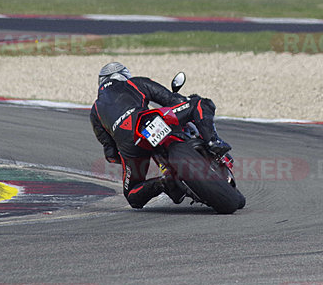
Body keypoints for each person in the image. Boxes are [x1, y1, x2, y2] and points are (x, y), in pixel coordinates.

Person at [90, 61, 231, 209]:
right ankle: (213, 141)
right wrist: (186, 102)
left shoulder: (95, 110)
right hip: (151, 119)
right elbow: (172, 100)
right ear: (124, 75)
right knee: (201, 104)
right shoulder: (134, 83)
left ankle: (163, 183)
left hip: (128, 142)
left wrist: (128, 156)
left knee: (132, 195)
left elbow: (111, 154)